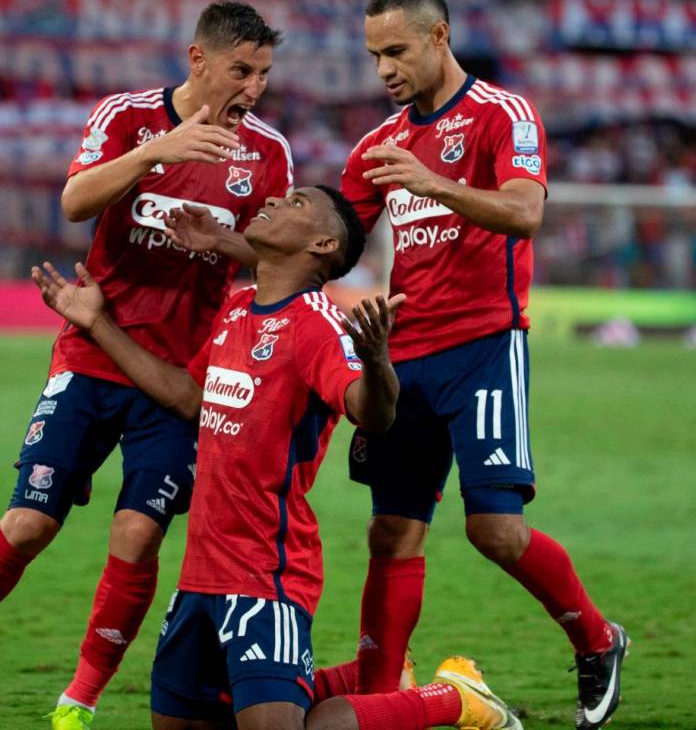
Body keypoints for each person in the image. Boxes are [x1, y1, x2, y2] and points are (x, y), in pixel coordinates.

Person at [32, 185, 523, 730]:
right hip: (199, 577)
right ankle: (375, 677)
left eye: (297, 203)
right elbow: (187, 397)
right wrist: (95, 324)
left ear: (321, 243)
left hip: (267, 573)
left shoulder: (317, 324)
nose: (275, 202)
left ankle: (451, 700)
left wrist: (378, 361)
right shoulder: (238, 308)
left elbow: (373, 413)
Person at [340, 0, 629, 730]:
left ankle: (597, 640)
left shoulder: (504, 114)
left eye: (396, 51)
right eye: (375, 56)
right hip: (401, 359)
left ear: (439, 38)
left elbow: (524, 212)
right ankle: (378, 699)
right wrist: (236, 248)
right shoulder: (378, 143)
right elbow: (331, 242)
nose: (385, 71)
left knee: (492, 530)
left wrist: (431, 182)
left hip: (483, 346)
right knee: (391, 531)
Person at [0, 0, 292, 730]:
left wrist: (224, 246)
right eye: (241, 70)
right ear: (198, 60)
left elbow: (280, 251)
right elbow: (73, 202)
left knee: (136, 532)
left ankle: (82, 698)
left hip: (179, 377)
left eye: (262, 73)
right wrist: (155, 154)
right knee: (28, 527)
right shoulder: (128, 116)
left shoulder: (268, 153)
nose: (254, 87)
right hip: (91, 351)